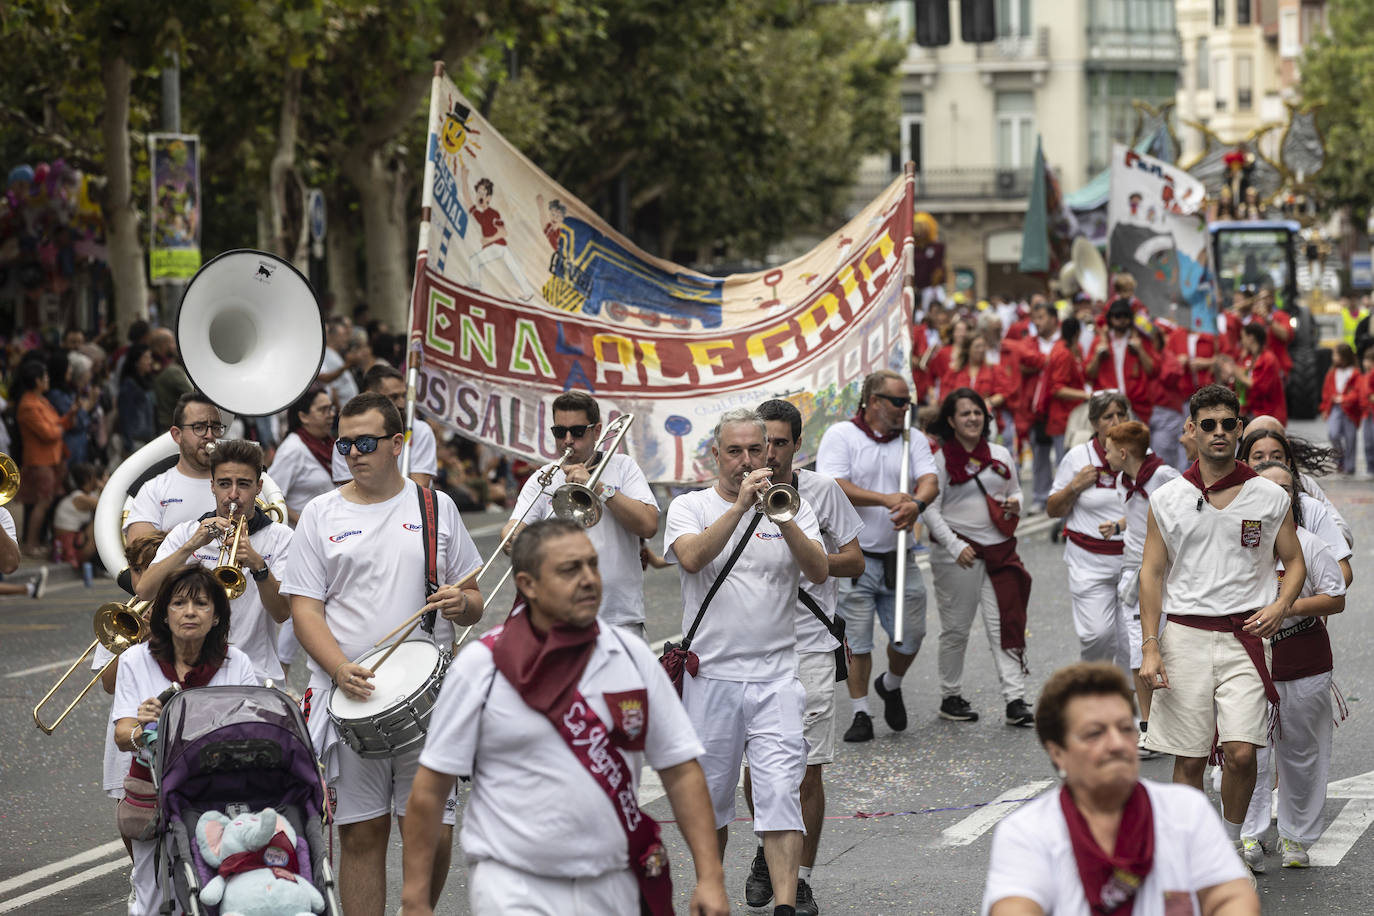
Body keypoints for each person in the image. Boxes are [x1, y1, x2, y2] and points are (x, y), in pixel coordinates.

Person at [399, 520, 730, 916]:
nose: (589, 579)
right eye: (570, 570)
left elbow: (680, 769)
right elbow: (430, 789)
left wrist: (710, 877)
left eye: (592, 565)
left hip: (614, 882)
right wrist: (415, 900)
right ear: (528, 584)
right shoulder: (482, 667)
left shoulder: (630, 653)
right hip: (516, 886)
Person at [282, 391, 484, 916]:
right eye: (344, 443)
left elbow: (475, 600)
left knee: (431, 831)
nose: (353, 453)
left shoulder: (436, 507)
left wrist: (462, 602)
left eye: (366, 442)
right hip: (349, 696)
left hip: (428, 695)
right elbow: (305, 609)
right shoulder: (320, 515)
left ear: (398, 445)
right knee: (362, 833)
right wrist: (338, 668)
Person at [664, 408, 827, 916]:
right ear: (716, 455)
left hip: (777, 679)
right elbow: (691, 558)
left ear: (771, 452)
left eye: (757, 450)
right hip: (710, 679)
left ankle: (783, 906)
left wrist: (782, 517)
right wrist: (737, 507)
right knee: (710, 803)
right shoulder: (690, 506)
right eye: (735, 452)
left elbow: (820, 570)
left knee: (781, 796)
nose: (748, 461)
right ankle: (712, 894)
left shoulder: (791, 506)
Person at [1139, 384, 1305, 872]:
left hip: (1246, 638)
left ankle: (1229, 845)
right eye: (1206, 424)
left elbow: (1292, 561)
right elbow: (1150, 574)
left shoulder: (1269, 496)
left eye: (1226, 424)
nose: (1217, 433)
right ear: (1190, 431)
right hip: (1184, 635)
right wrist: (1151, 646)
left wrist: (1281, 604)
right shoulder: (1168, 498)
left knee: (1240, 752)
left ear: (1239, 428)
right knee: (1188, 759)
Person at [981, 662, 1257, 916]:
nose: (1116, 743)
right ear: (1057, 752)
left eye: (1125, 728)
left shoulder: (1186, 812)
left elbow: (1231, 899)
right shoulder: (1028, 831)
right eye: (1094, 733)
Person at [741, 398, 864, 915]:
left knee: (808, 770)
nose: (768, 453)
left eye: (779, 443)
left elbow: (855, 560)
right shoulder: (738, 491)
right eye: (760, 442)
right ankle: (770, 851)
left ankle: (803, 876)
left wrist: (810, 561)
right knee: (759, 768)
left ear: (797, 446)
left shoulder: (821, 491)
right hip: (753, 646)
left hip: (810, 642)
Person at [112, 565, 258, 915]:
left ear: (218, 616)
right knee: (151, 895)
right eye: (178, 603)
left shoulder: (237, 663)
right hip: (153, 793)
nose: (189, 612)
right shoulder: (135, 659)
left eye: (201, 604)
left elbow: (252, 732)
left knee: (219, 892)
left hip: (219, 795)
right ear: (163, 613)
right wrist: (141, 726)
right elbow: (122, 735)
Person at [815, 370, 938, 738]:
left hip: (899, 555)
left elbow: (930, 480)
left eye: (908, 402)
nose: (905, 409)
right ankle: (861, 712)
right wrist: (885, 499)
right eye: (898, 401)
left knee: (911, 634)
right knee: (859, 640)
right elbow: (833, 484)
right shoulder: (842, 435)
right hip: (856, 556)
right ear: (873, 401)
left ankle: (892, 684)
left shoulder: (911, 438)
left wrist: (916, 504)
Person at [1239, 461, 1347, 871]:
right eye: (1268, 487)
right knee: (1247, 750)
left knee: (1300, 753)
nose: (1278, 494)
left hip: (1304, 660)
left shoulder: (1309, 543)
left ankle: (1295, 837)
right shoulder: (1239, 541)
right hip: (1246, 662)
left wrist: (1286, 608)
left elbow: (1336, 598)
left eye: (1286, 488)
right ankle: (1247, 832)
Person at [501, 390, 659, 638]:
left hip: (619, 618)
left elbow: (649, 524)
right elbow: (515, 526)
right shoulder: (544, 478)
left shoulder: (623, 467)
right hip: (559, 620)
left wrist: (599, 488)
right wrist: (511, 536)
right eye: (559, 432)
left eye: (576, 432)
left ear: (596, 432)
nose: (567, 440)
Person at [136, 439, 293, 684]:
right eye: (224, 484)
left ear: (258, 486)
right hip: (190, 673)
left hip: (255, 673)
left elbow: (282, 613)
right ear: (212, 486)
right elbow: (145, 590)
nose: (233, 495)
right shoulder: (186, 532)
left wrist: (258, 566)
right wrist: (190, 546)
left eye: (243, 484)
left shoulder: (282, 538)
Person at [923, 388, 1034, 727]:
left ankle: (1015, 699)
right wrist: (956, 546)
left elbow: (1014, 490)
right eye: (964, 413)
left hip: (1000, 551)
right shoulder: (939, 461)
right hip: (957, 555)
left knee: (1006, 625)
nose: (972, 418)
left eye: (977, 412)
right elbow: (928, 508)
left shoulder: (1000, 453)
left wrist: (1017, 502)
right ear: (951, 421)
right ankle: (950, 695)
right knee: (956, 629)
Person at [1100, 420, 1181, 756]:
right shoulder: (1123, 480)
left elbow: (1187, 502)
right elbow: (1137, 515)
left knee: (1154, 649)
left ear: (1123, 452)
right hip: (1132, 571)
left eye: (1107, 449)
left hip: (1160, 571)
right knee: (1139, 650)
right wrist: (1119, 524)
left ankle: (1157, 727)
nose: (1105, 455)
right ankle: (1150, 725)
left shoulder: (1163, 476)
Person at [1047, 391, 1130, 668]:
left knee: (1132, 643)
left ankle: (1131, 708)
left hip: (1133, 564)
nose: (1116, 421)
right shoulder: (1077, 458)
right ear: (1095, 423)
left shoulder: (1142, 456)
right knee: (1098, 636)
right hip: (1089, 564)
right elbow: (1053, 509)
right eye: (1108, 416)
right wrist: (1075, 486)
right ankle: (1095, 686)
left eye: (1121, 414)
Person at [1238, 427, 1354, 574]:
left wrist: (1325, 549)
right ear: (1244, 464)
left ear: (1288, 463)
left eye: (1277, 457)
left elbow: (1341, 567)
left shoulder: (1309, 520)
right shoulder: (1233, 506)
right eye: (1259, 457)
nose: (1268, 463)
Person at [124, 392, 225, 544]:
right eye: (199, 427)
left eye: (216, 428)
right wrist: (194, 535)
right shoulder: (154, 489)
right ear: (177, 435)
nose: (210, 435)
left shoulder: (240, 485)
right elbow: (139, 553)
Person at [14, 358, 80, 557]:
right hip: (39, 461)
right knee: (42, 503)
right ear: (36, 380)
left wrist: (69, 416)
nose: (48, 380)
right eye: (45, 377)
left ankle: (37, 542)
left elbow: (56, 424)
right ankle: (30, 545)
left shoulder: (40, 400)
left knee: (46, 502)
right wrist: (61, 426)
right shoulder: (28, 405)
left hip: (52, 460)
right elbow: (48, 433)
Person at [331, 364, 437, 488]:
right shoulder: (345, 444)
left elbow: (420, 489)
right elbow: (351, 494)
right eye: (394, 397)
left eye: (404, 395)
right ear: (370, 395)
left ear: (397, 443)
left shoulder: (420, 431)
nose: (402, 404)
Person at [268, 385, 337, 526]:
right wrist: (305, 524)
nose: (331, 414)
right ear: (303, 416)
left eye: (331, 408)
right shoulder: (292, 449)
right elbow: (271, 496)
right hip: (303, 536)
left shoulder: (328, 443)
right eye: (323, 410)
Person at [1086, 299, 1156, 424]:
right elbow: (1089, 374)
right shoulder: (1100, 341)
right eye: (1117, 315)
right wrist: (1098, 354)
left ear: (1130, 318)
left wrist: (1140, 349)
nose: (1121, 319)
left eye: (1125, 315)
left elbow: (1152, 371)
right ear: (1110, 318)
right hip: (1107, 407)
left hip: (1137, 407)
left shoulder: (1140, 340)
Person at [1020, 300, 1061, 513]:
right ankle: (1040, 496)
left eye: (1041, 317)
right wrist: (1047, 361)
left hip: (1059, 407)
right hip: (1037, 409)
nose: (1037, 323)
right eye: (1035, 319)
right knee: (1039, 453)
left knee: (1063, 454)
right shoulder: (1031, 341)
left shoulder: (1063, 341)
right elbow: (1022, 358)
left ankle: (1061, 496)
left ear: (1054, 319)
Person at [1039, 316, 1090, 455]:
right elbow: (1057, 389)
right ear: (1078, 333)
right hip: (1063, 418)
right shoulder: (1064, 353)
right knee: (1066, 463)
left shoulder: (1067, 348)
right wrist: (1086, 395)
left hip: (1067, 416)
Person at [1220, 324, 1286, 426]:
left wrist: (1235, 371)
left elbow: (1261, 387)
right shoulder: (1249, 358)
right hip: (1252, 413)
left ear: (1251, 338)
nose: (1241, 342)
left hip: (1268, 415)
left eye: (1243, 337)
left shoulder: (1269, 359)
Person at [52, 461, 102, 576]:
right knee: (100, 523)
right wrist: (103, 486)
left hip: (77, 537)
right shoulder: (79, 497)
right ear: (88, 478)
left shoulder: (87, 495)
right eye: (95, 477)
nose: (97, 480)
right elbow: (106, 506)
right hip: (68, 544)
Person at [1319, 342, 1361, 475]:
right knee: (1333, 433)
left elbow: (1357, 391)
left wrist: (1345, 399)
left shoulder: (1354, 373)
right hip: (1335, 408)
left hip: (1350, 409)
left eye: (1336, 354)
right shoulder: (1332, 373)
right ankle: (1340, 458)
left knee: (1350, 438)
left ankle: (1350, 466)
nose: (1333, 357)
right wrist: (1325, 409)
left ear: (1344, 356)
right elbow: (1326, 392)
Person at [147, 327, 193, 429]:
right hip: (173, 427)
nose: (175, 346)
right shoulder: (173, 371)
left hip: (159, 427)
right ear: (162, 346)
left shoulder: (150, 368)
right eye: (172, 342)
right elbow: (193, 396)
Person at [116, 342, 157, 454]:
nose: (150, 361)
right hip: (135, 443)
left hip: (146, 441)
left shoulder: (146, 383)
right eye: (146, 358)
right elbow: (125, 417)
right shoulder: (129, 386)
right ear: (136, 361)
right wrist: (128, 445)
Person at [317, 316, 361, 407]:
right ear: (332, 336)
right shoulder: (327, 355)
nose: (345, 339)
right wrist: (339, 410)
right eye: (342, 335)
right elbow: (333, 387)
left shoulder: (336, 354)